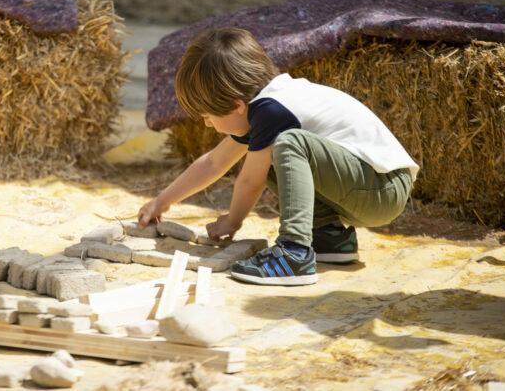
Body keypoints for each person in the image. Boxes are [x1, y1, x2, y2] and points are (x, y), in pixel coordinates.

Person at [137, 28, 418, 285]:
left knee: (288, 144)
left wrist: (232, 220)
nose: (207, 125)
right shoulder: (265, 105)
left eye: (209, 117)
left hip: (383, 188)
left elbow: (250, 182)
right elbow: (214, 162)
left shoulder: (272, 109)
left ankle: (294, 252)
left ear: (236, 105)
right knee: (271, 154)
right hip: (369, 186)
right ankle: (329, 238)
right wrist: (161, 201)